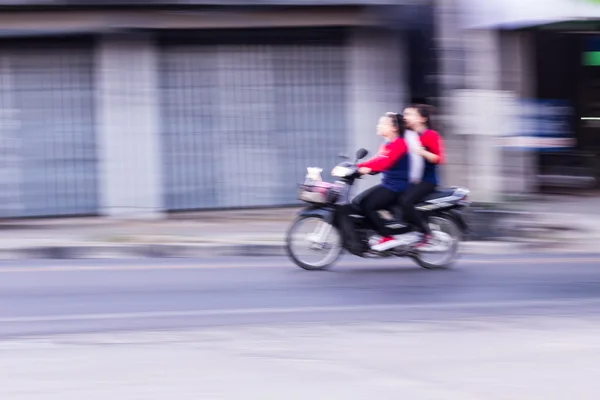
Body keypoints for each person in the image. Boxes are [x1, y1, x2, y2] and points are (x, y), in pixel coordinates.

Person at [353, 112, 410, 252]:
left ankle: (387, 237)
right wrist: (354, 167)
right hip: (389, 185)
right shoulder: (387, 144)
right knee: (357, 203)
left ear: (395, 128)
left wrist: (365, 169)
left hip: (398, 186)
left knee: (367, 205)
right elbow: (376, 160)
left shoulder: (400, 144)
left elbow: (386, 162)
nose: (379, 126)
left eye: (383, 123)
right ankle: (375, 232)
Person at [400, 104, 446, 248]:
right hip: (410, 179)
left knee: (405, 202)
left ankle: (426, 233)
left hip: (426, 180)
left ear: (422, 118)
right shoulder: (407, 135)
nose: (405, 117)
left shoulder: (430, 135)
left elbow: (439, 159)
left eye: (409, 114)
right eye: (404, 114)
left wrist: (422, 152)